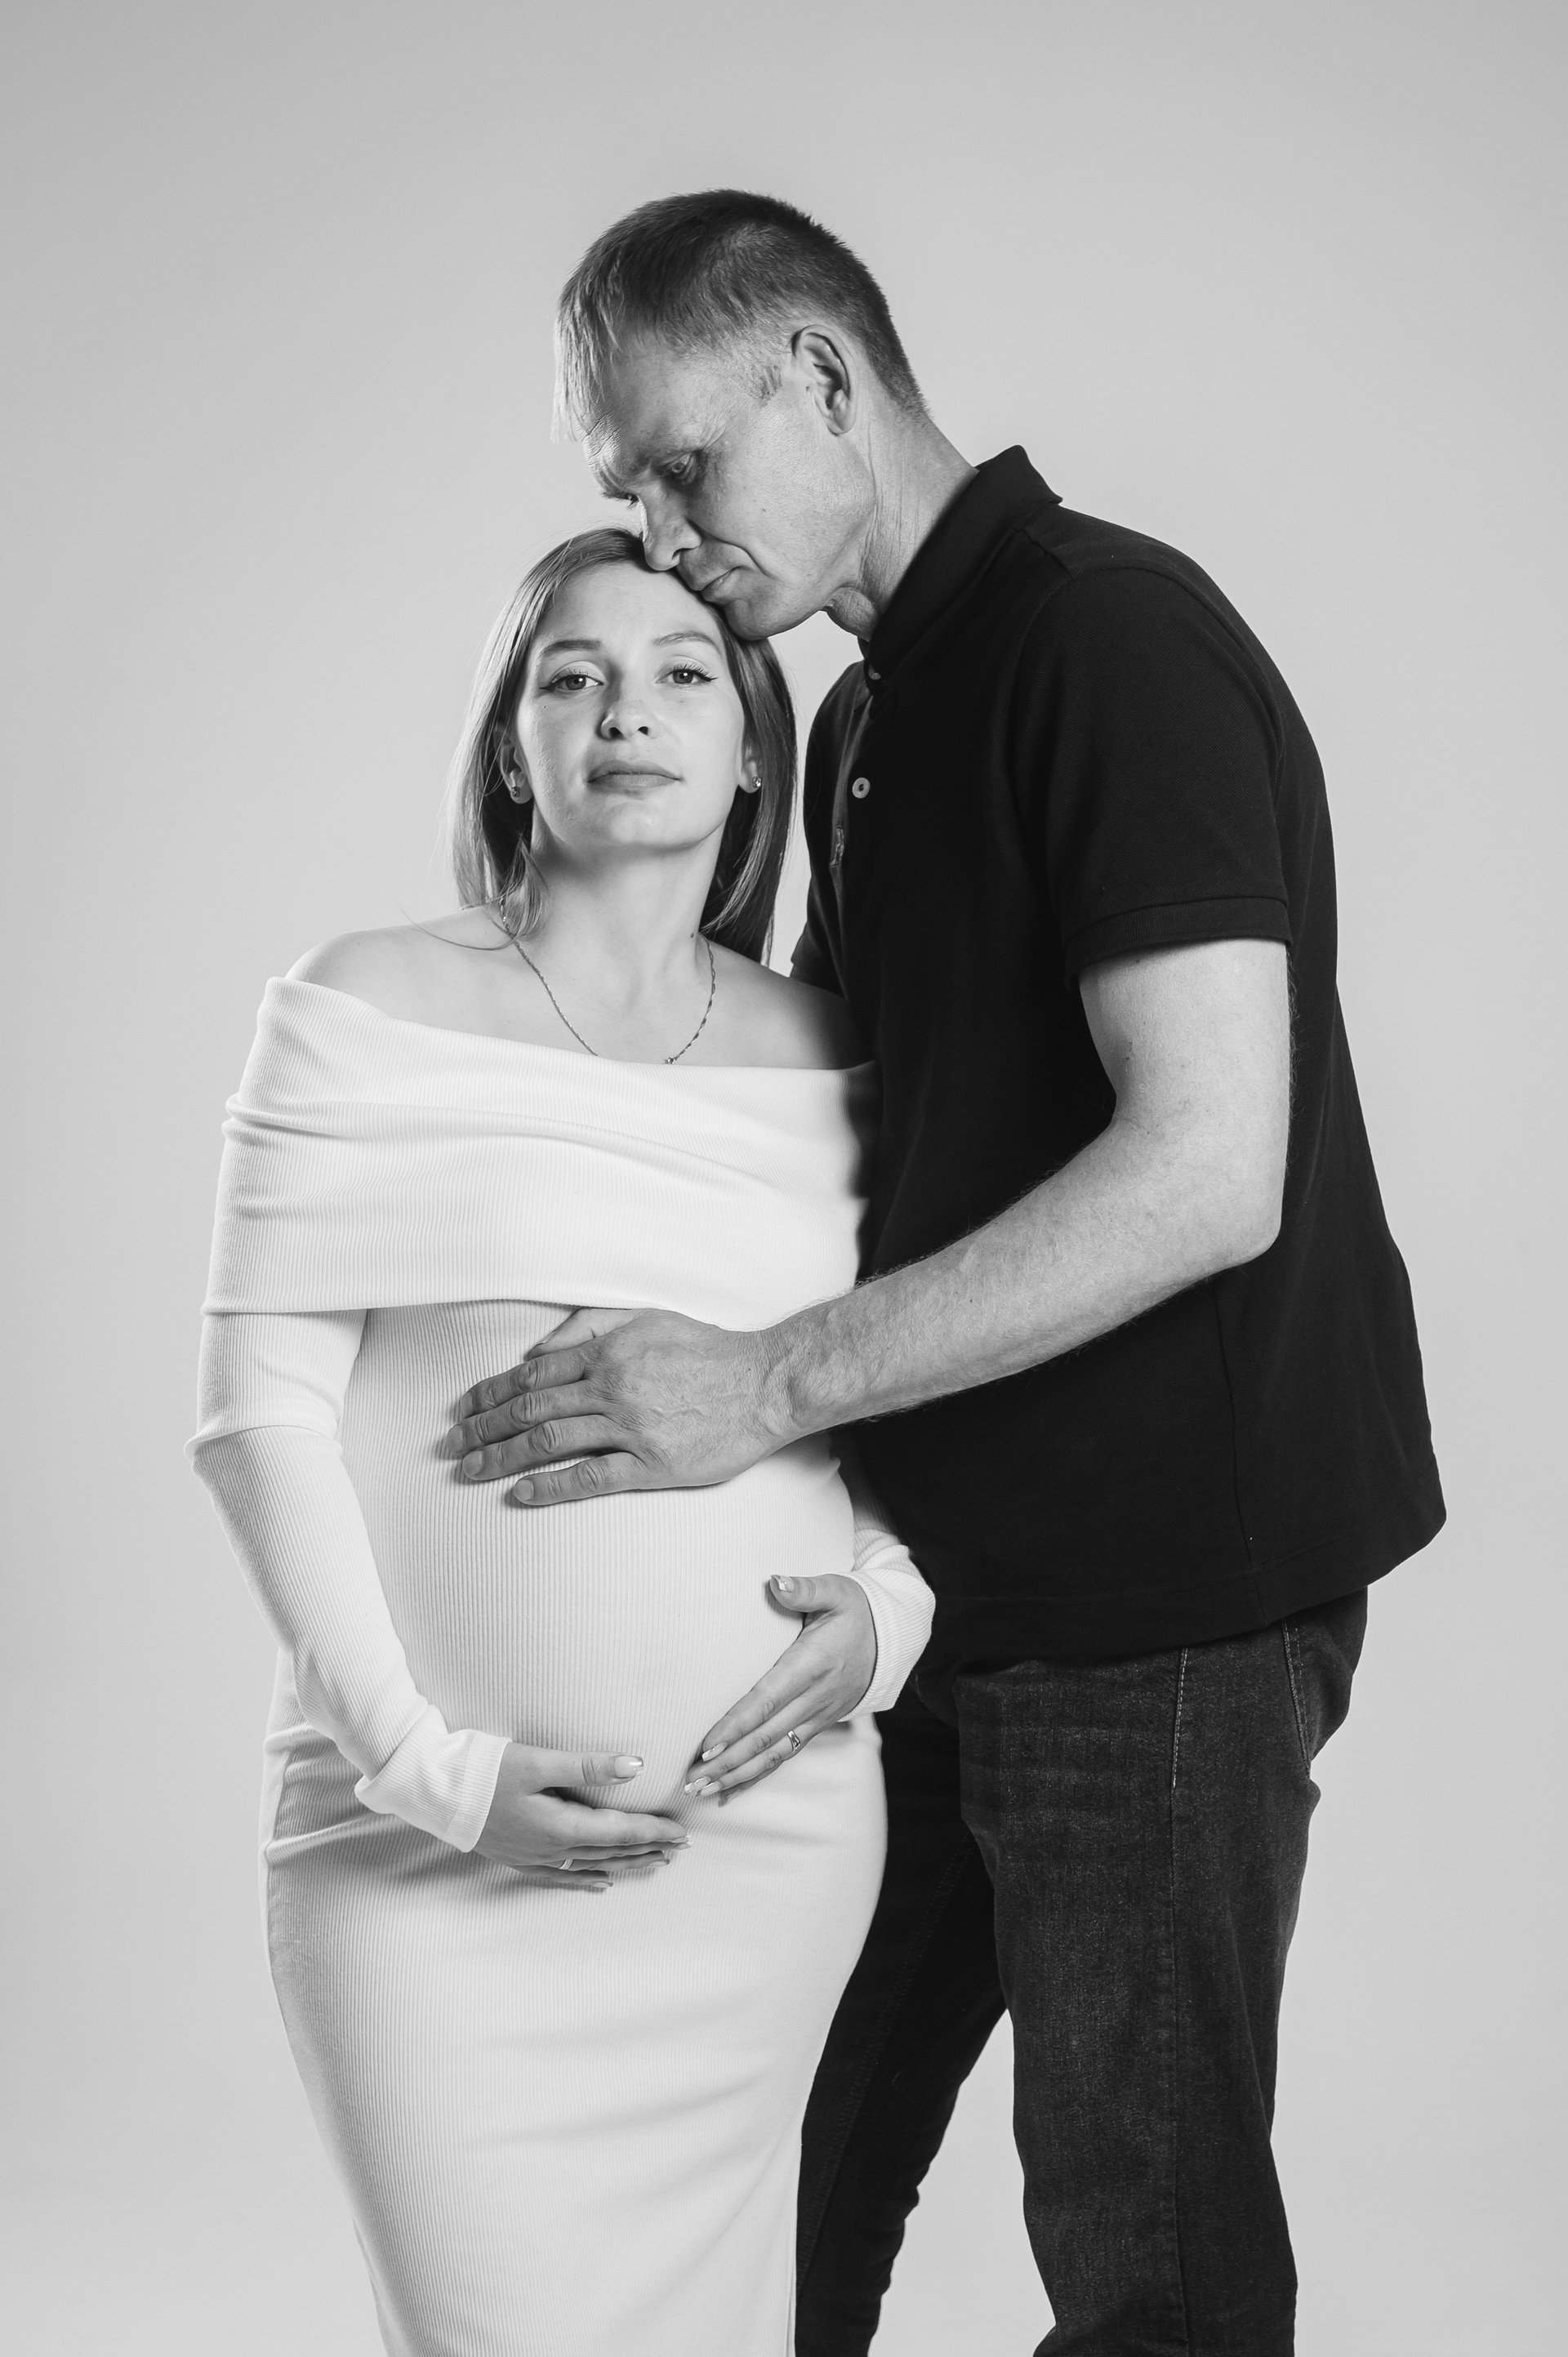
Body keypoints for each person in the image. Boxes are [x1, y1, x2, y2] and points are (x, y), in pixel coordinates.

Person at [445, 193, 1446, 2356]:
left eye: (681, 466)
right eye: (625, 489)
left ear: (820, 373)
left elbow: (1207, 1169)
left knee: (1149, 2274)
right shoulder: (875, 714)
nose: (662, 533)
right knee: (751, 2197)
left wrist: (762, 1386)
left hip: (1161, 1616)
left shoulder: (1108, 642)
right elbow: (889, 1149)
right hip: (947, 1606)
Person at [188, 527, 934, 2357]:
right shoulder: (365, 1005)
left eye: (684, 674)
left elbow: (879, 1400)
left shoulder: (844, 1054)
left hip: (759, 1861)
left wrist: (888, 1617)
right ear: (510, 744)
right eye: (571, 676)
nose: (627, 713)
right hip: (423, 1855)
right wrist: (428, 1770)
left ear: (753, 749)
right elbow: (256, 1422)